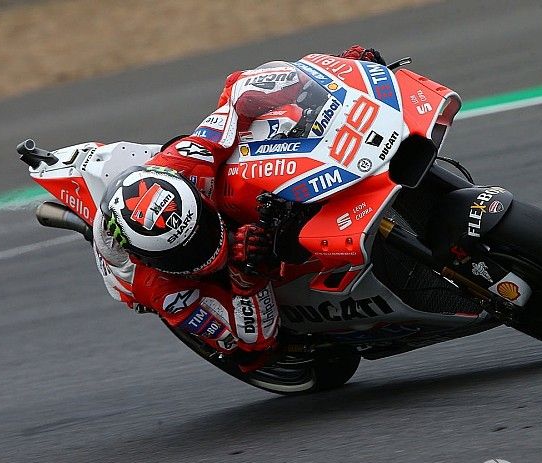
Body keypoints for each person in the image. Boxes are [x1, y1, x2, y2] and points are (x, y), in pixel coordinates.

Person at [93, 45, 385, 372]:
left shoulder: (189, 160)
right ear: (150, 260)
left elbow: (235, 96)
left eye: (201, 227)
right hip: (224, 292)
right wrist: (245, 278)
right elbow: (249, 345)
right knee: (253, 355)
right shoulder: (161, 288)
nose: (205, 244)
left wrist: (337, 73)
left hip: (190, 192)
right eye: (186, 251)